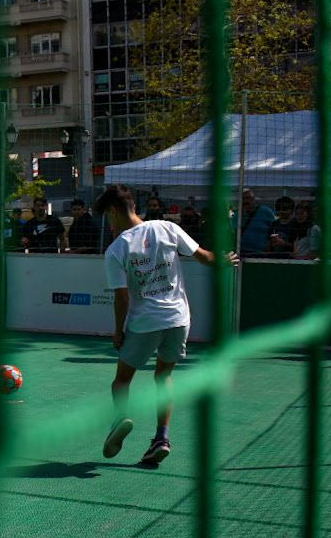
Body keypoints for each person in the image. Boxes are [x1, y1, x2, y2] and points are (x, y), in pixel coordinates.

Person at [94, 184, 236, 466]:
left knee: (122, 380)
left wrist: (118, 331)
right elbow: (204, 257)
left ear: (113, 211)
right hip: (178, 319)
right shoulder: (167, 227)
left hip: (146, 322)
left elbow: (122, 297)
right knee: (163, 377)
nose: (109, 222)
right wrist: (222, 259)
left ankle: (121, 418)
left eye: (108, 216)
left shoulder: (117, 249)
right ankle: (162, 438)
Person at [239, 189, 276, 257]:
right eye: (243, 199)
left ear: (253, 199)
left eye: (248, 198)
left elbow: (275, 229)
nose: (245, 201)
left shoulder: (266, 212)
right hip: (242, 253)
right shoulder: (237, 215)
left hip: (261, 254)